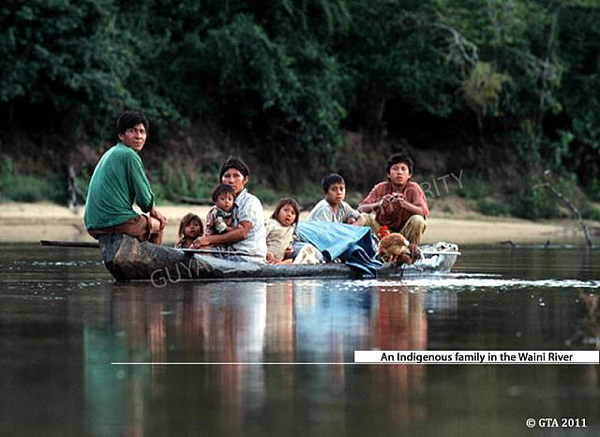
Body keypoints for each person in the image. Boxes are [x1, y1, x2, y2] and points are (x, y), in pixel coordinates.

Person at [84, 110, 167, 243]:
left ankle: (137, 257)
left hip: (92, 224)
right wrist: (154, 211)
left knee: (143, 224)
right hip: (116, 222)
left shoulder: (111, 152)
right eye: (132, 131)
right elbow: (144, 200)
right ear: (121, 135)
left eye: (142, 131)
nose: (138, 136)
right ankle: (151, 262)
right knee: (158, 225)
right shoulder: (129, 155)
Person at [194, 157, 267, 261]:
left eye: (236, 176)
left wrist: (208, 240)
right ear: (221, 181)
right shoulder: (219, 207)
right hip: (227, 255)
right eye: (227, 176)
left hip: (247, 257)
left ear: (245, 180)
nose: (231, 181)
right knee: (199, 249)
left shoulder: (250, 202)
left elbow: (242, 233)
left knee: (203, 250)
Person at [358, 152, 428, 245]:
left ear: (409, 175)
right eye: (395, 169)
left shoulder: (414, 188)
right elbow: (360, 209)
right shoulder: (380, 188)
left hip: (405, 238)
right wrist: (378, 204)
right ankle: (376, 249)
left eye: (403, 169)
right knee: (364, 217)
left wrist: (404, 204)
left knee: (418, 220)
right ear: (388, 174)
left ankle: (410, 252)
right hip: (382, 234)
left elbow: (423, 212)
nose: (399, 172)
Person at [265, 197, 300, 264]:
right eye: (286, 210)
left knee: (291, 261)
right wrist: (265, 252)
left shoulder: (291, 229)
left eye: (292, 213)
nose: (289, 214)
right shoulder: (271, 224)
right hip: (266, 256)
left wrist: (289, 250)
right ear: (278, 211)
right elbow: (259, 239)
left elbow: (289, 243)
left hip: (279, 260)